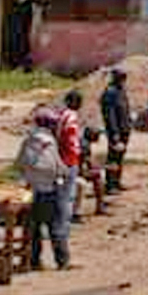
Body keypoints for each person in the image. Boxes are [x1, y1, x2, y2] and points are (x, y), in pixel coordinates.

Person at [18, 108, 69, 270]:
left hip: (31, 191)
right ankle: (62, 261)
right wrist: (64, 173)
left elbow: (19, 164)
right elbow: (55, 167)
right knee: (55, 227)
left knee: (33, 229)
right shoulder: (49, 142)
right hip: (49, 191)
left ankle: (34, 261)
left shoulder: (28, 141)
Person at [99, 68, 131, 195]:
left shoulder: (120, 90)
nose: (123, 81)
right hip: (115, 131)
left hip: (124, 129)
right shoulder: (110, 93)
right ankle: (110, 184)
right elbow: (110, 116)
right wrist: (114, 134)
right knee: (113, 157)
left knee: (119, 157)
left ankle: (117, 181)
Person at [56, 92, 83, 224]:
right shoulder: (71, 117)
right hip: (69, 159)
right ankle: (64, 221)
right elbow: (70, 139)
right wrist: (76, 154)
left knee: (62, 193)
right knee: (68, 194)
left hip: (61, 157)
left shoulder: (61, 115)